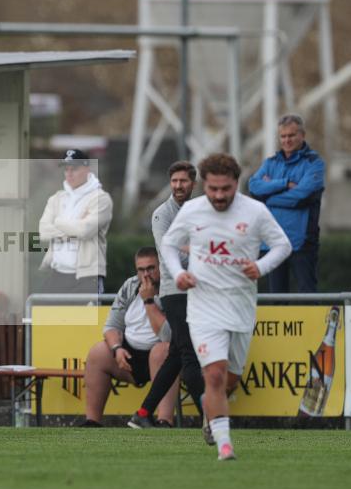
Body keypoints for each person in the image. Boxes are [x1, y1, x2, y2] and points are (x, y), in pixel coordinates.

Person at [162, 153, 291, 461]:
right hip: (203, 306)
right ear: (204, 185)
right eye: (213, 189)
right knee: (215, 375)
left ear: (236, 183)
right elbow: (168, 244)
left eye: (226, 189)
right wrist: (178, 273)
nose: (219, 196)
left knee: (229, 381)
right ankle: (224, 445)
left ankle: (210, 408)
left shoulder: (255, 211)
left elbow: (283, 245)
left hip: (240, 306)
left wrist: (260, 267)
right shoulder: (192, 211)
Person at [128, 161, 205, 428]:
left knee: (176, 356)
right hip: (175, 292)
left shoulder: (199, 210)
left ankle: (142, 414)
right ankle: (211, 418)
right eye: (174, 181)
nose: (178, 186)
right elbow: (170, 255)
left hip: (195, 291)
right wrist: (204, 255)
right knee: (189, 355)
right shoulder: (162, 214)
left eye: (183, 181)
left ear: (193, 184)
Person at [81, 247, 177, 427]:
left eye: (151, 268)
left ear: (161, 267)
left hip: (164, 356)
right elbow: (111, 326)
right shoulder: (130, 286)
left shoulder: (171, 287)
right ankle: (92, 422)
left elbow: (168, 335)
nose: (146, 275)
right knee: (98, 352)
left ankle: (164, 421)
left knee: (162, 351)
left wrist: (149, 300)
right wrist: (117, 349)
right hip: (130, 354)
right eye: (141, 270)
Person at [247, 114, 325, 293]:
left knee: (307, 297)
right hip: (272, 242)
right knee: (276, 299)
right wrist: (284, 184)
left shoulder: (314, 163)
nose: (287, 140)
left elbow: (302, 196)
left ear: (302, 135)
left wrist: (268, 196)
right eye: (283, 136)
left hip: (301, 242)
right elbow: (253, 187)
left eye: (291, 135)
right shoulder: (270, 162)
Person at [38, 149, 113, 293]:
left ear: (87, 169)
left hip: (87, 277)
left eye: (74, 169)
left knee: (82, 313)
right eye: (66, 169)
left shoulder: (101, 199)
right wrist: (75, 226)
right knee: (38, 307)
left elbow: (85, 231)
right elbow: (44, 232)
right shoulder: (56, 198)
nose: (69, 173)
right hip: (57, 274)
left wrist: (57, 222)